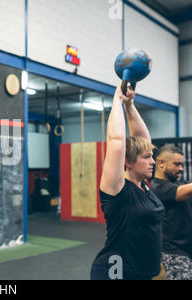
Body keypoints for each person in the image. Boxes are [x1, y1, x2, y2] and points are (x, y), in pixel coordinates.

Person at [90, 84, 165, 280]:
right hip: (117, 272)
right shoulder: (117, 190)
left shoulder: (144, 187)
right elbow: (116, 142)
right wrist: (118, 99)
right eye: (147, 157)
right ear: (128, 162)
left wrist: (130, 105)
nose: (153, 161)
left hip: (142, 273)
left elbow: (143, 140)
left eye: (152, 156)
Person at [150, 145, 192, 280]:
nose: (181, 168)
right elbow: (180, 193)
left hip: (185, 251)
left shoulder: (179, 184)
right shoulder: (157, 187)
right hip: (171, 254)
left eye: (182, 164)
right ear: (161, 163)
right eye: (177, 164)